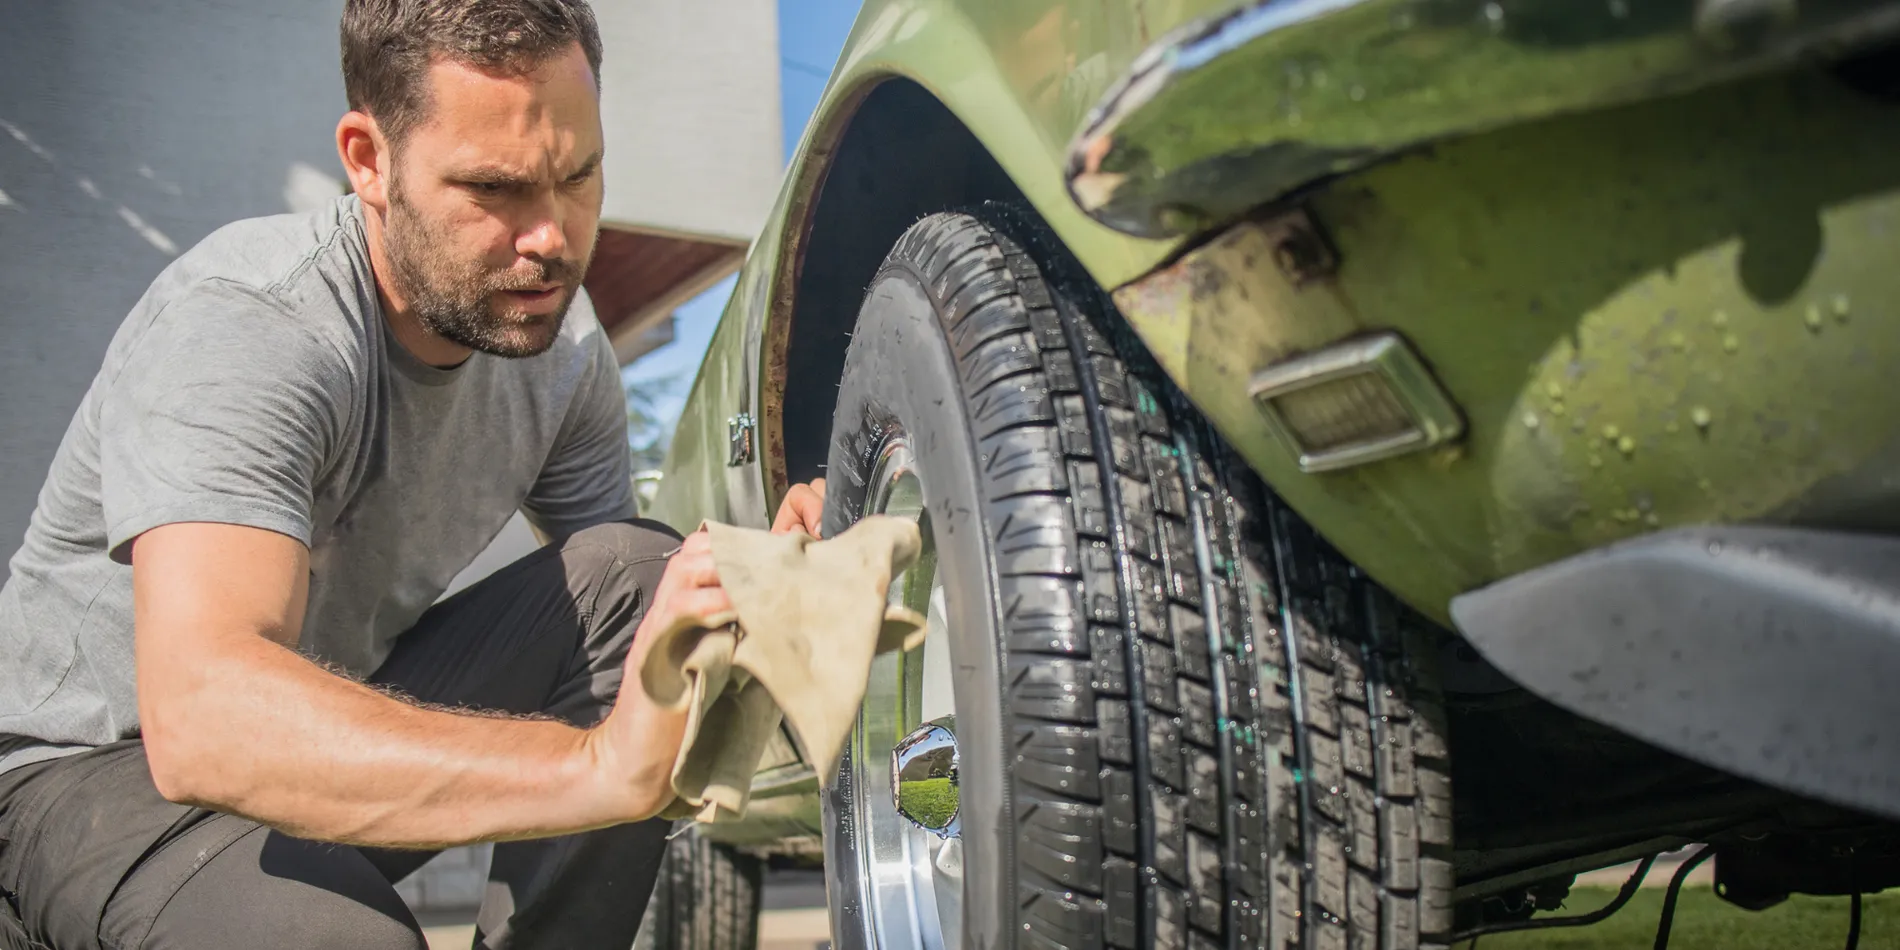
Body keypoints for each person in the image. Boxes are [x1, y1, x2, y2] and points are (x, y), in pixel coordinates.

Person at [0, 1, 821, 947]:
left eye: (579, 175)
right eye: (494, 188)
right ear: (369, 160)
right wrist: (591, 767)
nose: (551, 238)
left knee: (643, 574)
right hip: (94, 777)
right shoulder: (253, 323)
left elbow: (643, 614)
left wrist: (768, 576)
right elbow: (201, 717)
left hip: (311, 739)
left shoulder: (563, 351)